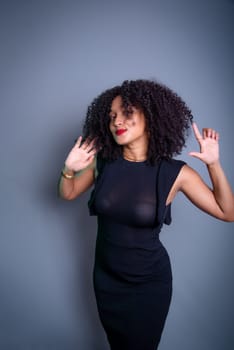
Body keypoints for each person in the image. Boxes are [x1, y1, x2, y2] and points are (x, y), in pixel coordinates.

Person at [58, 79, 234, 350]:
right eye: (112, 116)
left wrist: (213, 165)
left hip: (148, 284)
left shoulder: (175, 173)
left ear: (151, 117)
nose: (118, 121)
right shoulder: (101, 161)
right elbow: (67, 193)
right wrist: (69, 169)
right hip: (106, 280)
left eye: (127, 112)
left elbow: (227, 212)